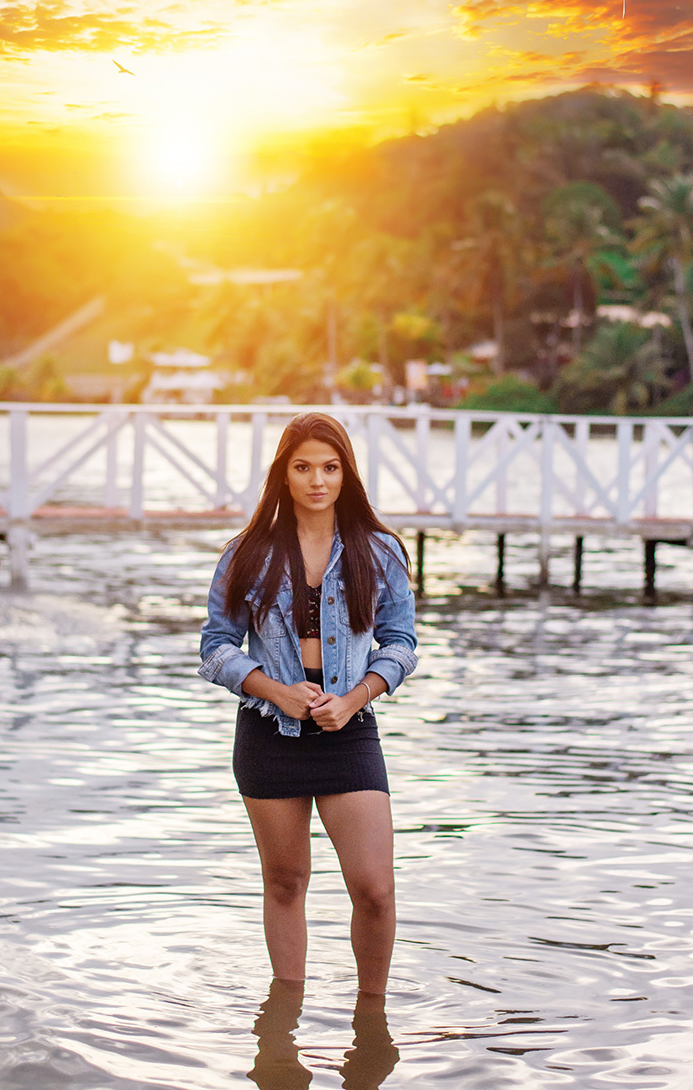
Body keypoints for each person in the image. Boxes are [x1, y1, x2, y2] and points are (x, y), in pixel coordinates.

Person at [199, 412, 417, 995]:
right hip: (270, 734)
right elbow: (215, 647)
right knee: (286, 881)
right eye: (302, 467)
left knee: (375, 888)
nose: (317, 480)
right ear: (284, 475)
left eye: (329, 466)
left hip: (350, 728)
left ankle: (373, 1015)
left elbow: (402, 645)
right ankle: (284, 1024)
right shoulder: (246, 553)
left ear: (346, 473)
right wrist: (275, 691)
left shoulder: (380, 552)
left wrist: (353, 699)